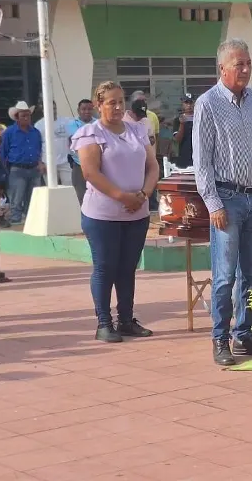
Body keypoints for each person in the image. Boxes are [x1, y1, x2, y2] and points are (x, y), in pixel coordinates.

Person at [193, 38, 252, 366]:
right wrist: (213, 203)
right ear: (222, 68)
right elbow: (202, 162)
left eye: (248, 64)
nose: (244, 69)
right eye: (238, 64)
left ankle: (245, 333)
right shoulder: (208, 103)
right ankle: (220, 338)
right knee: (225, 274)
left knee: (251, 274)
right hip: (226, 200)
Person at [72, 81, 158, 342]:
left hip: (137, 213)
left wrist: (142, 195)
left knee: (127, 267)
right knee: (105, 267)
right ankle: (103, 323)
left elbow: (152, 166)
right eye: (111, 102)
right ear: (99, 105)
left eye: (121, 101)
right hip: (103, 215)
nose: (118, 107)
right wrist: (122, 197)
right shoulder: (90, 133)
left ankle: (126, 320)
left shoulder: (137, 130)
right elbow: (90, 172)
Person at [0, 101, 45, 225]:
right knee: (16, 198)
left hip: (34, 168)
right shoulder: (9, 132)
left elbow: (39, 149)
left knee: (33, 198)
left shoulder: (35, 132)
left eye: (28, 115)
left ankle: (31, 222)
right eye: (23, 115)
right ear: (17, 117)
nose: (26, 118)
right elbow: (3, 152)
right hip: (17, 168)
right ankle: (15, 221)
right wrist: (7, 168)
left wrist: (40, 163)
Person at [34, 100, 73, 186]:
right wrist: (40, 163)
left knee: (69, 188)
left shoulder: (66, 121)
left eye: (54, 108)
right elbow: (36, 146)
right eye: (50, 109)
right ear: (43, 110)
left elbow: (72, 139)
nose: (53, 111)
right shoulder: (38, 125)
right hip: (47, 163)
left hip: (65, 161)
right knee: (51, 189)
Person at [67, 99, 94, 205]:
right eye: (84, 109)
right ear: (78, 111)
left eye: (89, 109)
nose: (87, 111)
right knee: (80, 195)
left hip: (96, 164)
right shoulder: (71, 125)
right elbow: (73, 142)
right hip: (79, 164)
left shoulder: (98, 123)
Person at [172, 96, 194, 169]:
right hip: (184, 155)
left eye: (191, 103)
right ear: (182, 104)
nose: (189, 105)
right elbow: (177, 139)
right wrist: (182, 124)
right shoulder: (177, 120)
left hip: (199, 154)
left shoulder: (199, 117)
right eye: (186, 103)